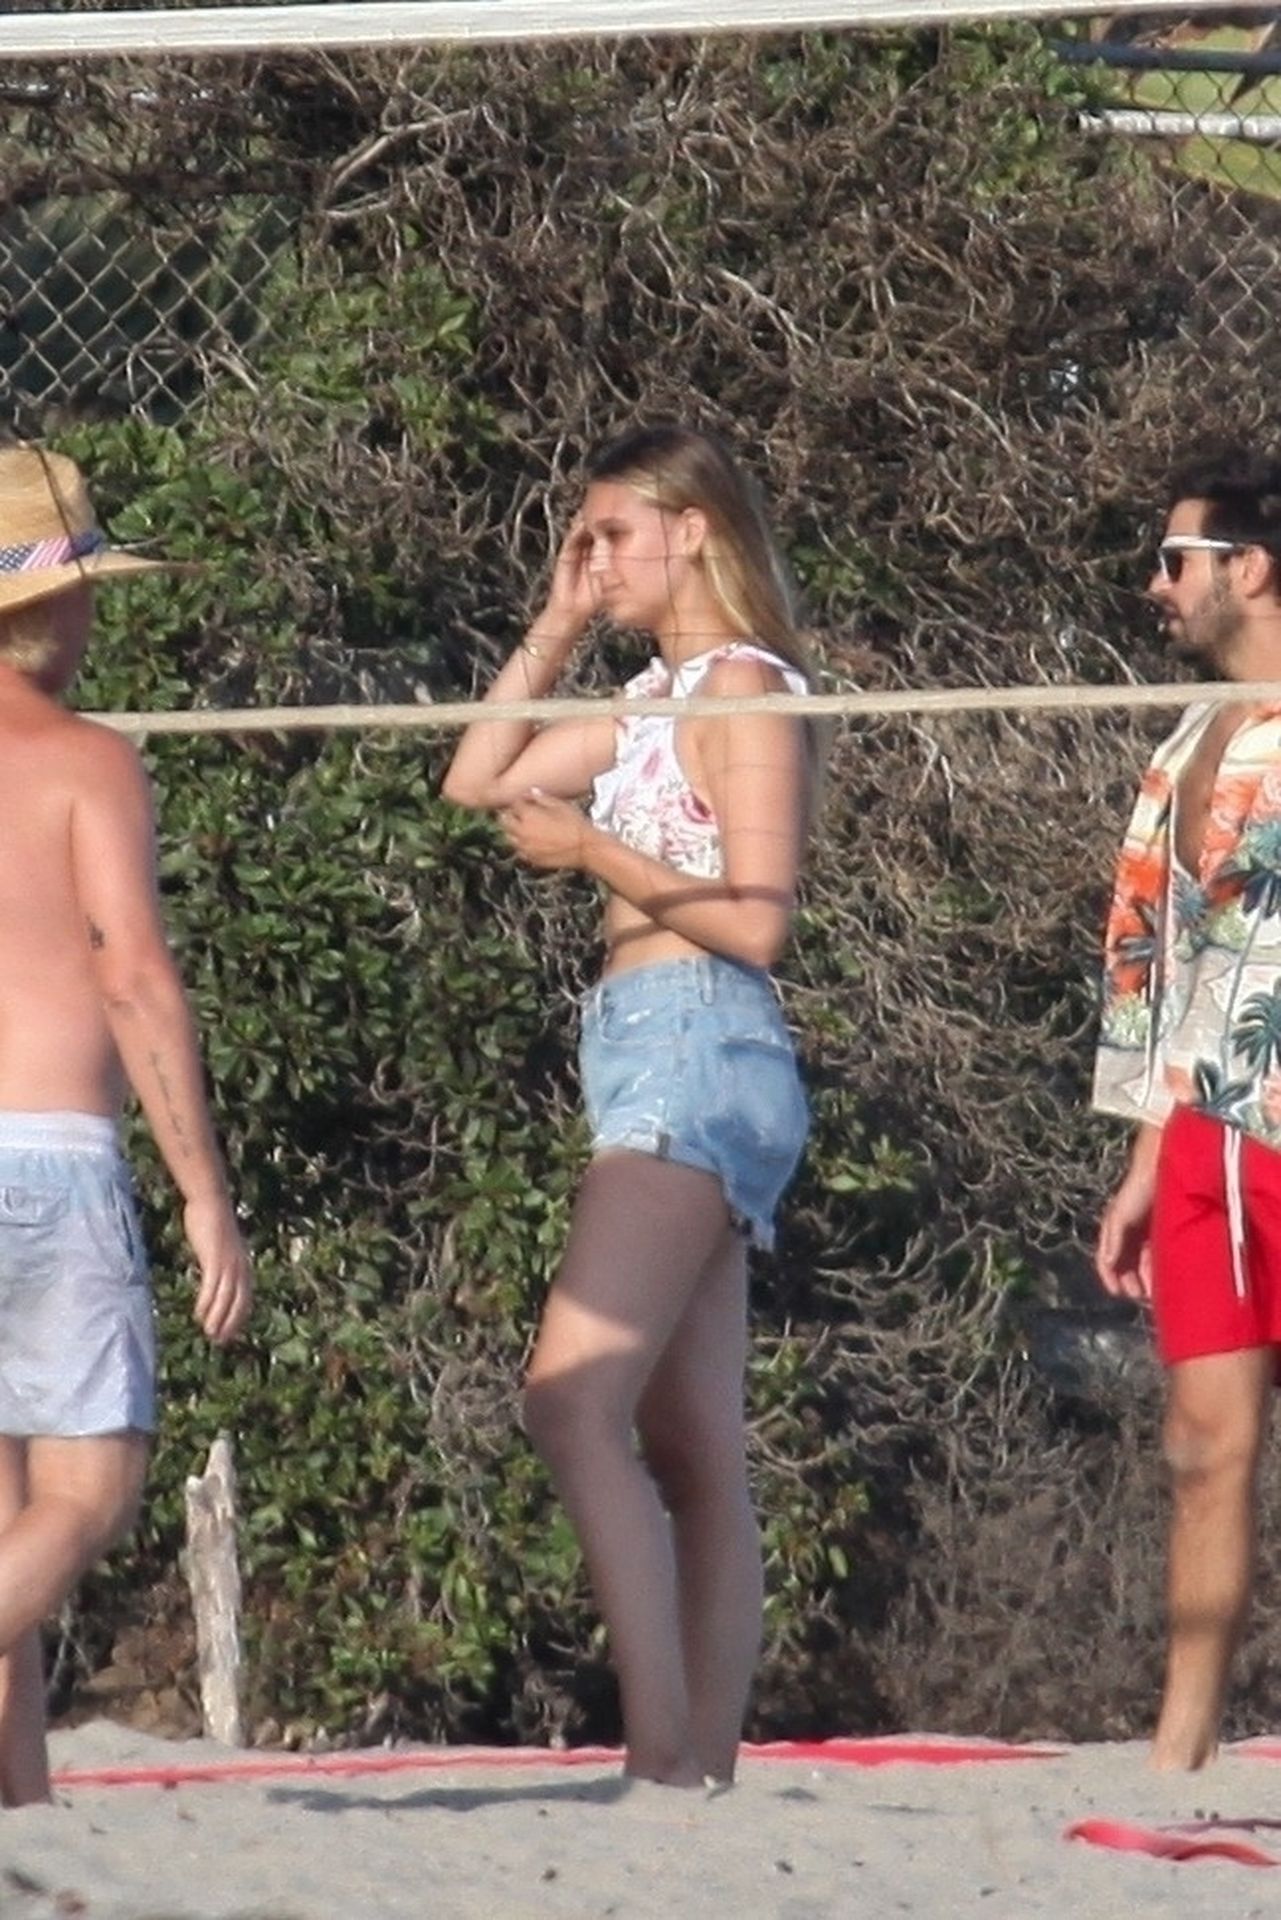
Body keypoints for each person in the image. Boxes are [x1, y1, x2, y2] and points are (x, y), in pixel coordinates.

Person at [443, 424, 816, 1786]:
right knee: (689, 1441)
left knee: (569, 1401)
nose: (594, 560)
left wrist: (597, 849)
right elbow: (476, 778)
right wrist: (553, 623)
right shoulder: (658, 695)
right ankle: (697, 1763)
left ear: (693, 530)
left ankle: (658, 1753)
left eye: (612, 536)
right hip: (653, 1044)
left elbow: (758, 921)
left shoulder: (743, 690)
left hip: (696, 1042)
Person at [0, 445, 252, 1805]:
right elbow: (133, 974)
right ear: (49, 607)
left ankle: (20, 1807)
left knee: (7, 1530)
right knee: (88, 1494)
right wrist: (203, 1189)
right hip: (45, 1156)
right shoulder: (84, 761)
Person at [1095, 447, 1281, 1770]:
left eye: (1177, 559)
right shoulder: (1184, 739)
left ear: (1251, 569)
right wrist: (1144, 1156)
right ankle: (1180, 1750)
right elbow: (1156, 968)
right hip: (1210, 1130)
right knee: (1202, 1444)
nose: (1156, 585)